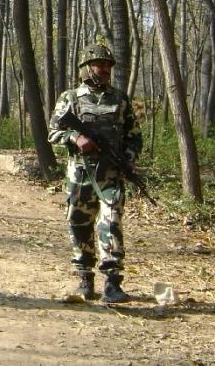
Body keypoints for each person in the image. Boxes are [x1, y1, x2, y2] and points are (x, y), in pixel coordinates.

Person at [48, 43, 143, 303]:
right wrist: (75, 137)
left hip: (111, 174)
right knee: (79, 222)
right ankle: (84, 278)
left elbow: (134, 136)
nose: (104, 69)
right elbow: (53, 132)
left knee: (111, 222)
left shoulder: (120, 99)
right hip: (80, 175)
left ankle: (112, 282)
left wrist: (128, 160)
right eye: (99, 64)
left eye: (107, 65)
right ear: (87, 67)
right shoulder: (70, 98)